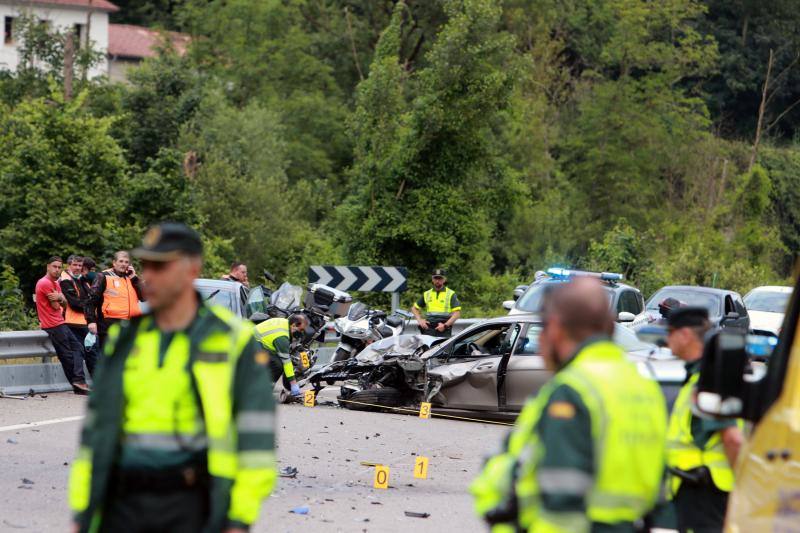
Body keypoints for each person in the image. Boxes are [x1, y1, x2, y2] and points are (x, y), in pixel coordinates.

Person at [69, 222, 277, 533]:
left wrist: (238, 519)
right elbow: (95, 435)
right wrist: (82, 514)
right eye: (147, 264)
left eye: (161, 265)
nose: (149, 275)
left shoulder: (231, 339)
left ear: (192, 269)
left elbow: (256, 437)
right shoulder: (127, 339)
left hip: (194, 504)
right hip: (121, 505)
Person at [472, 278, 667, 532]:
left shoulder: (574, 389)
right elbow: (661, 487)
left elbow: (562, 504)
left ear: (555, 328)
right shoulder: (643, 386)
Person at [665, 307, 744, 533]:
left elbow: (732, 439)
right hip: (698, 491)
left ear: (685, 335)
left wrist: (748, 489)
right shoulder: (698, 376)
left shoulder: (710, 380)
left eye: (670, 331)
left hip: (704, 493)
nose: (667, 338)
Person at [35, 256, 89, 394]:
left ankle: (78, 382)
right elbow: (55, 306)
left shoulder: (56, 283)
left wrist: (60, 297)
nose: (57, 269)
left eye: (59, 267)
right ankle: (78, 383)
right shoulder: (45, 283)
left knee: (78, 348)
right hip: (52, 325)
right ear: (48, 266)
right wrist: (60, 298)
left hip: (60, 322)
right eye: (54, 266)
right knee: (67, 355)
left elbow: (64, 305)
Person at [86, 251, 144, 348]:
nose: (124, 264)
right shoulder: (104, 276)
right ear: (114, 262)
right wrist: (91, 321)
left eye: (126, 262)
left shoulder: (131, 278)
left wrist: (135, 278)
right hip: (109, 324)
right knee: (109, 356)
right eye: (121, 261)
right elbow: (91, 300)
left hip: (129, 324)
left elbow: (144, 297)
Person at [59, 255, 97, 376]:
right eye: (75, 265)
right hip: (74, 322)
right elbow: (75, 303)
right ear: (69, 265)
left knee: (90, 352)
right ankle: (81, 381)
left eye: (80, 265)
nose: (77, 267)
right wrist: (90, 305)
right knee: (85, 352)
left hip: (86, 321)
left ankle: (92, 382)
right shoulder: (65, 280)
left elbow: (90, 297)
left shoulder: (81, 279)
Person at [253, 313, 308, 397]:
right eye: (301, 330)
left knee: (275, 360)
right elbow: (286, 361)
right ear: (293, 325)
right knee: (277, 364)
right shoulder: (282, 337)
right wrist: (293, 384)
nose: (301, 333)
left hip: (254, 343)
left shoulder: (284, 322)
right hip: (250, 347)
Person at [411, 268, 461, 338]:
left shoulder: (451, 294)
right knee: (428, 348)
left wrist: (445, 325)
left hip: (443, 329)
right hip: (428, 328)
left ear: (444, 280)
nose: (437, 281)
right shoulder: (427, 293)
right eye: (435, 278)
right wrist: (420, 320)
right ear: (432, 279)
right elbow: (414, 309)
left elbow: (457, 314)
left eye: (440, 278)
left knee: (443, 348)